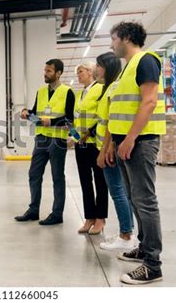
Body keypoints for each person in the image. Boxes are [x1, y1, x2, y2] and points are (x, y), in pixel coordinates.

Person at [108, 22, 166, 284]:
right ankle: (143, 248)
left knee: (145, 200)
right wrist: (116, 141)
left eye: (113, 39)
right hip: (127, 142)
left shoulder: (146, 61)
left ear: (127, 38)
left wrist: (130, 138)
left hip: (140, 141)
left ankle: (152, 265)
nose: (111, 44)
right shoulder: (127, 69)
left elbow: (149, 101)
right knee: (134, 198)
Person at [15, 59, 75, 225]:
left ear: (58, 73)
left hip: (58, 140)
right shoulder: (41, 91)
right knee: (34, 174)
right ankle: (33, 210)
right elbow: (36, 112)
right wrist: (27, 112)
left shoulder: (67, 92)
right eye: (45, 70)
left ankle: (57, 214)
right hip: (41, 139)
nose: (45, 74)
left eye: (49, 71)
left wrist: (52, 122)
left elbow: (70, 119)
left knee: (57, 177)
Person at [94, 52, 136, 251]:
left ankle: (125, 236)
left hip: (109, 148)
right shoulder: (109, 87)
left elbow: (110, 122)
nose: (96, 69)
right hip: (108, 145)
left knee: (118, 192)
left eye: (99, 66)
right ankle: (127, 231)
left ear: (107, 67)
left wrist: (105, 149)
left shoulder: (112, 88)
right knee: (122, 192)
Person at [73, 62, 108, 235]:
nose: (78, 75)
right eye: (77, 73)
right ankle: (89, 218)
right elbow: (77, 118)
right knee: (85, 181)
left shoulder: (99, 89)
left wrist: (89, 133)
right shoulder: (80, 94)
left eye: (80, 72)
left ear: (89, 72)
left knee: (100, 181)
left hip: (95, 142)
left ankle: (100, 218)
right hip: (80, 143)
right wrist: (74, 135)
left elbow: (102, 115)